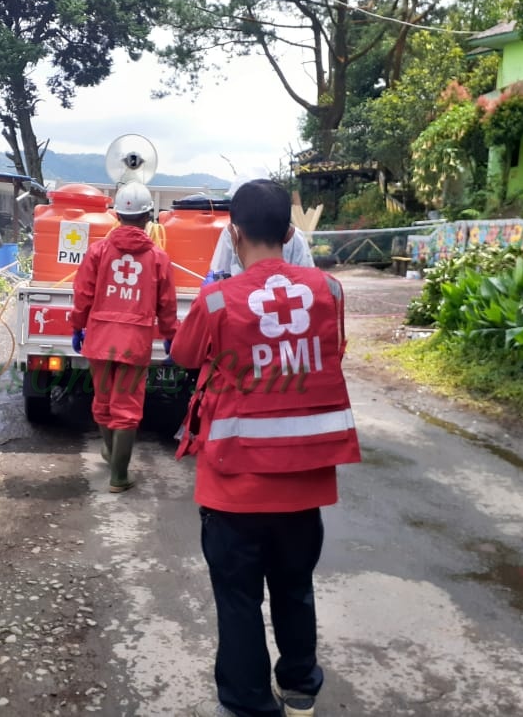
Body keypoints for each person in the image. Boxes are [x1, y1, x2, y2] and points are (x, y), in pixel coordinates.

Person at [172, 179, 361, 717]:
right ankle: (300, 688)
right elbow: (330, 354)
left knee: (238, 602)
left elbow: (185, 357)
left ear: (232, 235)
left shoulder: (214, 300)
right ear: (288, 232)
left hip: (234, 488)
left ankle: (252, 704)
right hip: (305, 483)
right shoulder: (330, 291)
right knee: (295, 587)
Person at [69, 181, 178, 492]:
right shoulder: (159, 257)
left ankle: (109, 451)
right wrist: (171, 335)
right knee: (126, 407)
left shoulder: (97, 251)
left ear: (116, 214)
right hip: (135, 342)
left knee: (103, 401)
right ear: (149, 217)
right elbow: (167, 304)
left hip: (100, 339)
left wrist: (77, 327)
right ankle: (119, 475)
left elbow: (83, 295)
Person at [206, 179, 314, 282]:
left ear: (235, 235)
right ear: (289, 233)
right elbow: (308, 278)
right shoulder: (326, 286)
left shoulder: (231, 232)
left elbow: (218, 274)